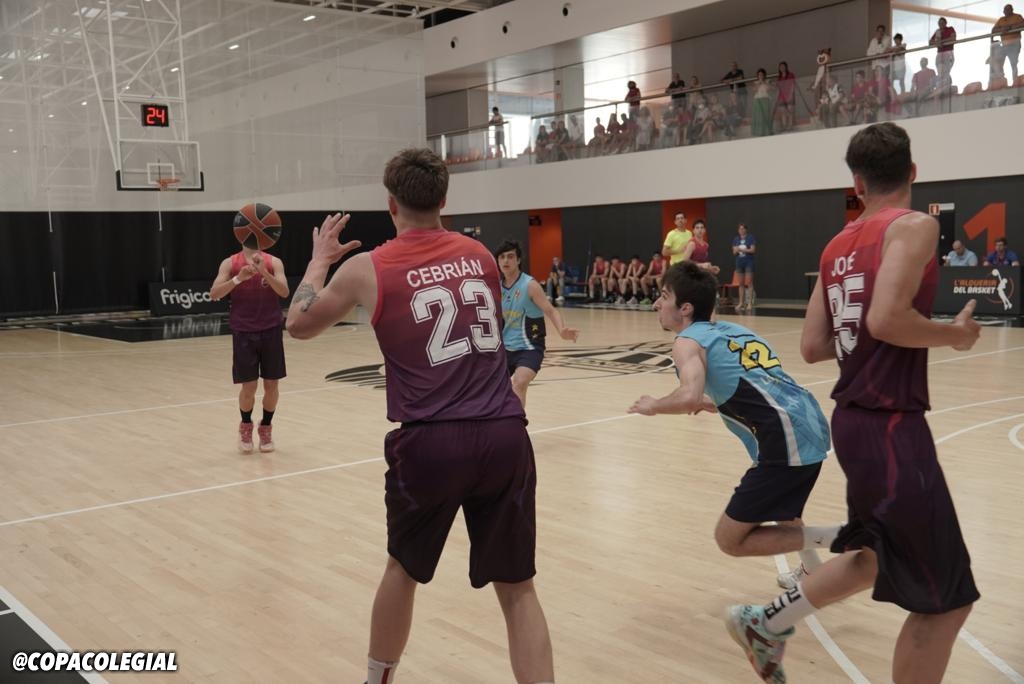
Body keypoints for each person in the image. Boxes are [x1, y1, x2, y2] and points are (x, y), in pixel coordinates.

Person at [285, 148, 555, 684]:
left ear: (391, 204)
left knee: (402, 569)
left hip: (431, 442)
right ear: (443, 199)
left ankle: (377, 679)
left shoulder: (367, 268)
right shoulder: (480, 255)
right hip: (504, 433)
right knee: (518, 587)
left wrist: (318, 260)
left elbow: (298, 324)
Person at [726, 123, 981, 684]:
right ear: (913, 172)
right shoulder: (915, 226)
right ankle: (764, 625)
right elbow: (886, 319)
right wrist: (955, 335)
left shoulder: (835, 246)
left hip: (853, 425)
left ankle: (766, 624)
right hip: (891, 427)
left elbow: (813, 346)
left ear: (858, 184)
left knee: (871, 555)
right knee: (946, 602)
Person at [629, 261, 839, 588]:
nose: (656, 303)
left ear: (685, 308)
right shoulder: (733, 331)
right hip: (808, 421)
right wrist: (712, 402)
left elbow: (688, 396)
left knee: (730, 539)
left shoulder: (687, 342)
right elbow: (756, 383)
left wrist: (654, 405)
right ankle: (813, 571)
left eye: (664, 296)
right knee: (784, 510)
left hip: (784, 436)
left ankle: (845, 535)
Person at [210, 234, 289, 453]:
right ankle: (245, 426)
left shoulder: (273, 262)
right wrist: (238, 279)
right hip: (243, 331)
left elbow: (284, 292)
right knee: (249, 387)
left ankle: (266, 427)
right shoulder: (230, 263)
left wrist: (264, 272)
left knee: (272, 385)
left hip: (271, 330)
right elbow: (214, 293)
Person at [495, 240, 580, 407]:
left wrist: (562, 330)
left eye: (510, 256)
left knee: (519, 382)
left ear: (518, 260)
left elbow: (551, 310)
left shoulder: (530, 285)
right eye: (502, 257)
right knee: (491, 387)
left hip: (530, 347)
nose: (506, 261)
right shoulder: (497, 288)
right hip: (505, 348)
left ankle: (517, 423)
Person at [993, 4, 1024, 82]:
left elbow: (1022, 24)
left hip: (1014, 44)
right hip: (1004, 45)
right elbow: (993, 30)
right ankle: (1001, 80)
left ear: (1012, 9)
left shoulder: (1017, 17)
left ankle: (1015, 81)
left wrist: (1009, 28)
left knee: (1013, 63)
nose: (1005, 11)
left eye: (1007, 9)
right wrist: (1002, 29)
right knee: (997, 61)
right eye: (1005, 10)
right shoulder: (1001, 19)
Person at [731, 223, 756, 311]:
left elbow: (753, 250)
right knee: (741, 284)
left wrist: (742, 249)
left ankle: (749, 303)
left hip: (748, 262)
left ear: (746, 229)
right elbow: (734, 252)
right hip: (739, 263)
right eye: (740, 229)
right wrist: (736, 250)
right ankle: (741, 303)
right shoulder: (736, 239)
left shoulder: (750, 237)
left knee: (749, 283)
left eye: (743, 229)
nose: (741, 230)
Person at [929, 17, 957, 85]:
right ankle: (941, 85)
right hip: (940, 53)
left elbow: (953, 38)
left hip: (948, 52)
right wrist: (937, 42)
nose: (940, 24)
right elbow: (930, 42)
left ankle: (947, 85)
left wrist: (941, 41)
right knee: (940, 72)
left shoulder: (950, 29)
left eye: (942, 23)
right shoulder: (937, 31)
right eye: (939, 23)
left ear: (945, 23)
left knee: (946, 71)